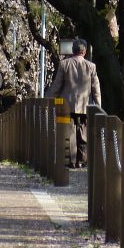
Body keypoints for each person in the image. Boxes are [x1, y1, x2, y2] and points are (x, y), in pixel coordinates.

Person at [46, 37, 101, 168]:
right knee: (83, 133)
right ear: (85, 51)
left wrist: (48, 100)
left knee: (69, 133)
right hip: (84, 105)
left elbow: (57, 86)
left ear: (73, 50)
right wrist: (98, 106)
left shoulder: (64, 64)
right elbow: (96, 88)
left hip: (66, 106)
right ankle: (82, 160)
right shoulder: (91, 66)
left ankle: (71, 160)